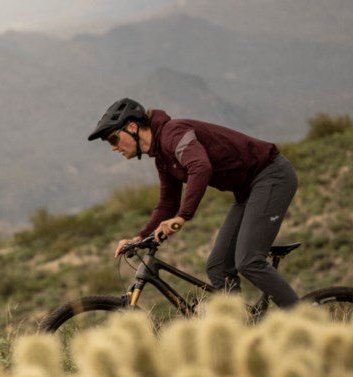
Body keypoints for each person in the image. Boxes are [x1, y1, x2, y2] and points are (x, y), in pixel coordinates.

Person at [88, 98, 299, 308]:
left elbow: (200, 166)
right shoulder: (162, 157)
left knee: (249, 261)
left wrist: (182, 217)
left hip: (271, 175)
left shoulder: (173, 133)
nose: (113, 148)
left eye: (113, 139)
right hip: (247, 192)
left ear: (132, 127)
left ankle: (305, 320)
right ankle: (239, 323)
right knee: (218, 268)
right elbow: (167, 204)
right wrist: (139, 237)